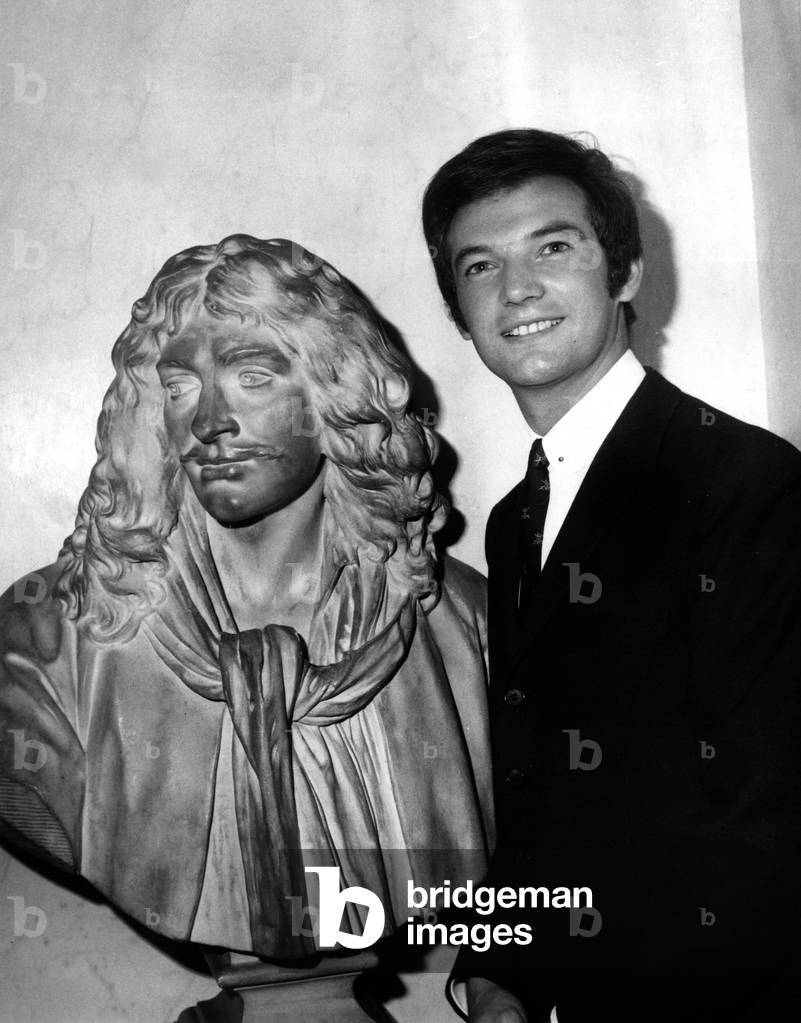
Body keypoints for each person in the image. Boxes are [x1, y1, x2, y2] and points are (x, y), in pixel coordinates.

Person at [0, 234, 493, 958]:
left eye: (253, 376)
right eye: (179, 388)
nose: (208, 423)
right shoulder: (43, 642)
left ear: (337, 393)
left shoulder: (466, 627)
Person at [421, 129, 801, 1022]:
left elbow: (770, 817)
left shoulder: (744, 483)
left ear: (623, 272)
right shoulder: (515, 521)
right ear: (460, 311)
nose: (516, 289)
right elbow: (537, 789)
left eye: (553, 248)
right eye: (480, 266)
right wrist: (495, 963)